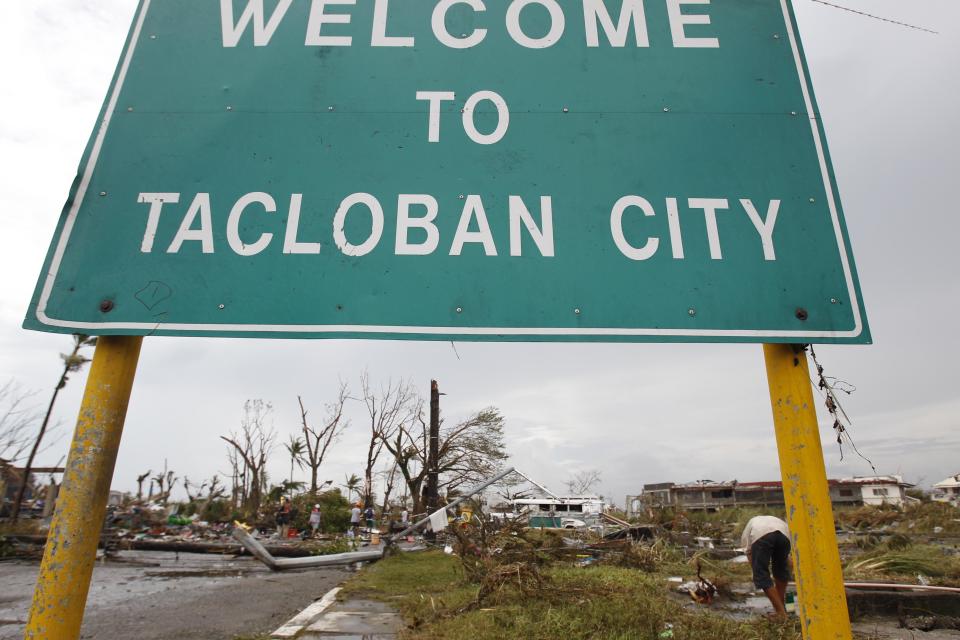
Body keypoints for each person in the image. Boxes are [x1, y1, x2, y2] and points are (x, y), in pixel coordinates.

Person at [741, 515, 792, 618]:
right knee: (780, 572)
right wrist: (786, 574)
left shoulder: (748, 531)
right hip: (784, 534)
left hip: (761, 534)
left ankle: (780, 613)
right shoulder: (775, 521)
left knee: (761, 575)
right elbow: (789, 561)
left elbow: (749, 553)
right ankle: (781, 607)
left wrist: (758, 574)